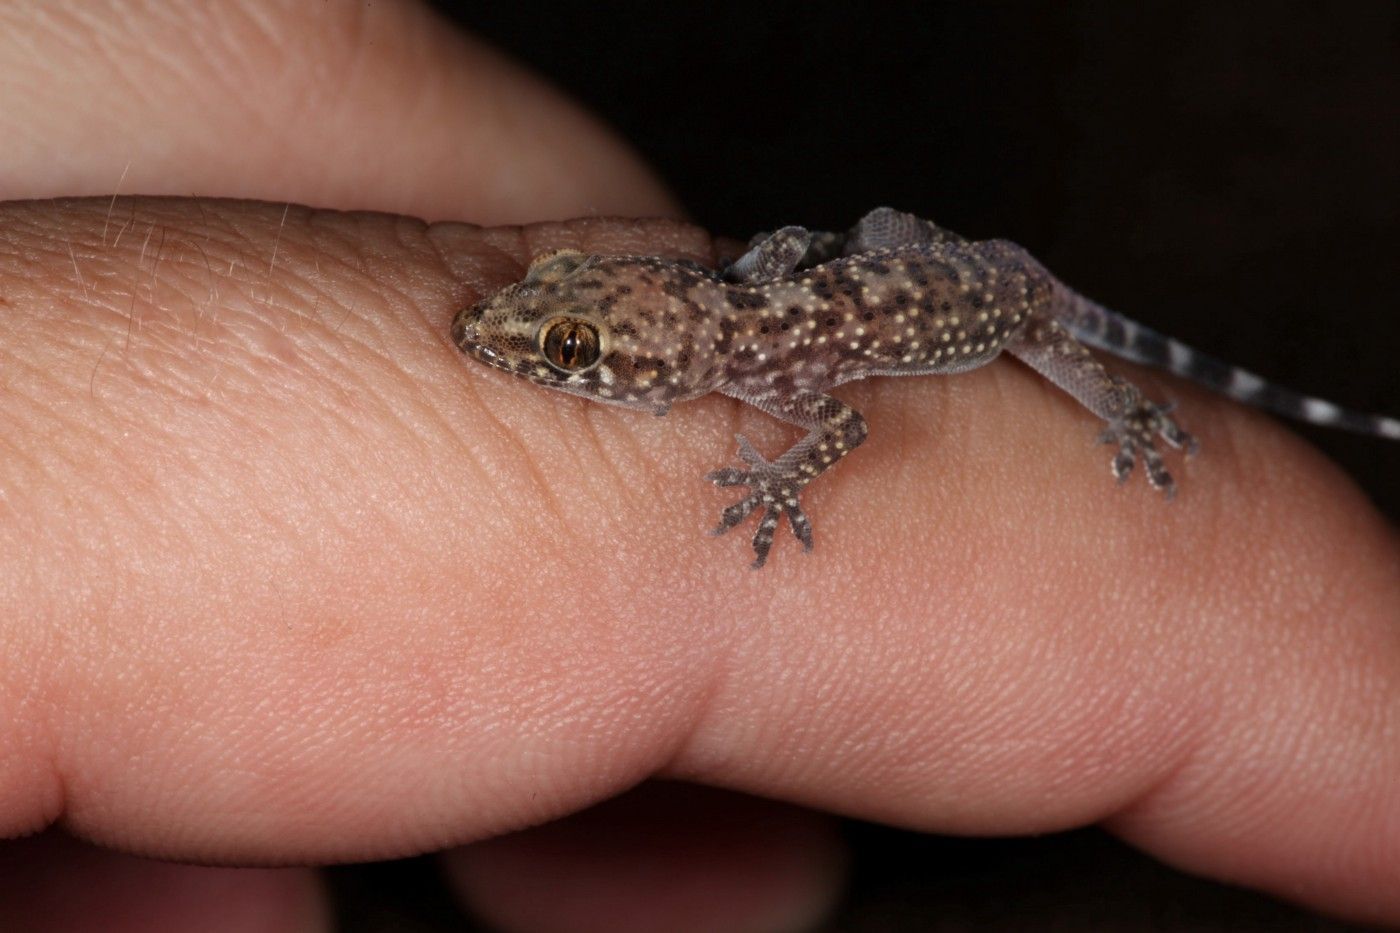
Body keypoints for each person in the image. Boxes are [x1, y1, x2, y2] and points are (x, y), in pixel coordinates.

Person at [0, 3, 1395, 931]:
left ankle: (1142, 414)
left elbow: (849, 426)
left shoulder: (780, 370)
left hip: (1008, 308)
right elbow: (786, 244)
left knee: (1066, 359)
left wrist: (786, 478)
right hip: (909, 269)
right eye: (562, 317)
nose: (522, 345)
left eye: (564, 347)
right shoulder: (746, 320)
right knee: (879, 224)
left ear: (660, 361)